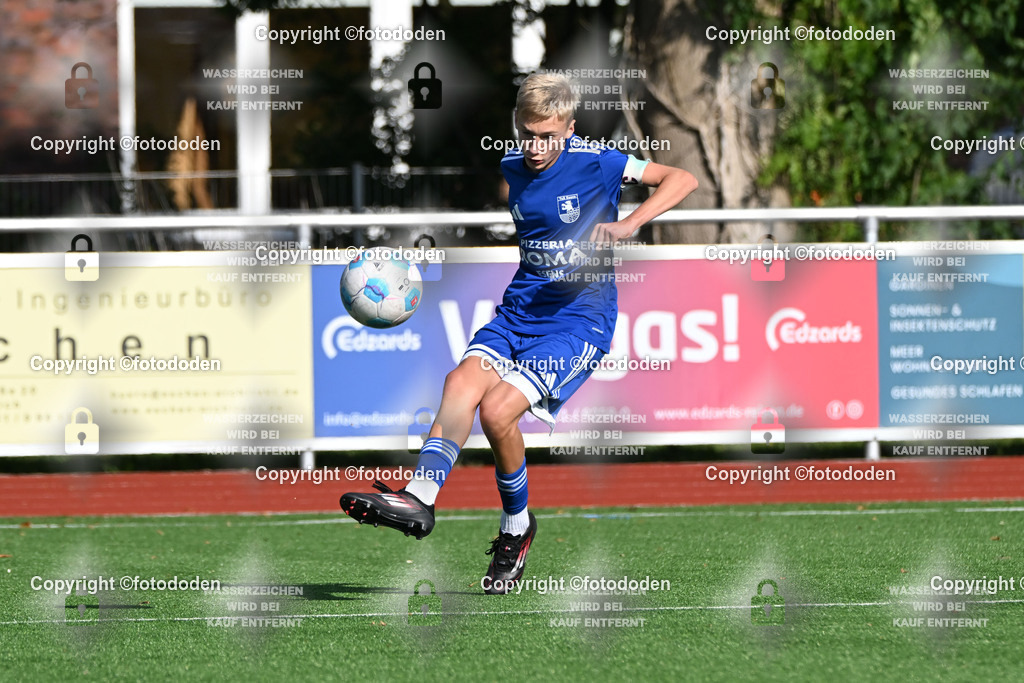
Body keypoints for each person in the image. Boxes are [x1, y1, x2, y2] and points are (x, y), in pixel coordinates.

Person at [340, 72, 698, 594]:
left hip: (579, 322)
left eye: (548, 136)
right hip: (518, 313)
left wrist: (628, 224)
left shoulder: (600, 160)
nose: (535, 146)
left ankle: (516, 527)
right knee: (460, 383)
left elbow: (681, 179)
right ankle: (420, 497)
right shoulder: (512, 165)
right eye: (527, 133)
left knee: (497, 411)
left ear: (569, 129)